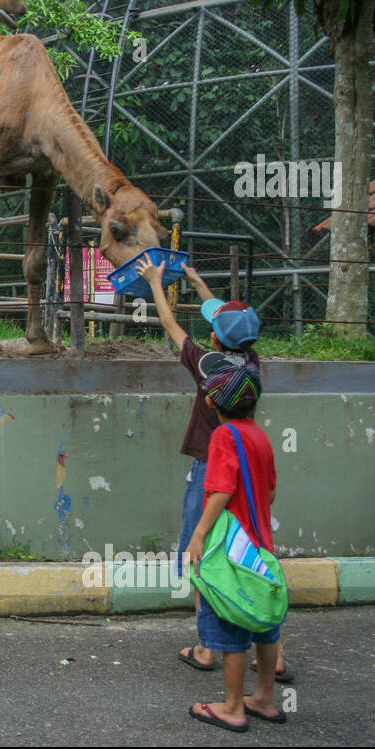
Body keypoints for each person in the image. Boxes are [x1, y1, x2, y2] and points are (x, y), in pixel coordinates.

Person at [135, 260, 290, 682]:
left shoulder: (208, 367)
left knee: (203, 554)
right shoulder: (252, 363)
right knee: (251, 552)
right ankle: (272, 655)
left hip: (213, 466)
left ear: (216, 338)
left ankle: (206, 646)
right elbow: (226, 321)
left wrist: (155, 285)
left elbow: (171, 327)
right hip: (251, 466)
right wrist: (199, 283)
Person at [183, 361, 283, 731]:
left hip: (230, 550)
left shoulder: (224, 438)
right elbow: (271, 491)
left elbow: (222, 490)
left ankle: (233, 707)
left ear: (212, 404)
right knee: (264, 628)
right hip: (261, 547)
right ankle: (266, 700)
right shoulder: (260, 436)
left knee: (230, 628)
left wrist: (198, 535)